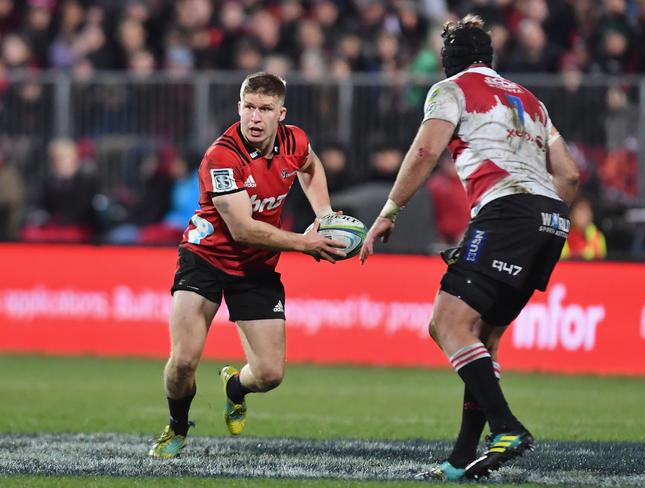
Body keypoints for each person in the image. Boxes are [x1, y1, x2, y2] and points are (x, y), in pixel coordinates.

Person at [360, 15, 579, 480]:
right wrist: (544, 216)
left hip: (507, 212)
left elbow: (424, 152)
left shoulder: (451, 89)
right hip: (550, 218)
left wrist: (390, 210)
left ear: (446, 62)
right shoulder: (530, 99)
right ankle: (462, 459)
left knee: (447, 322)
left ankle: (506, 427)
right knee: (483, 338)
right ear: (490, 56)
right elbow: (571, 175)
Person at [149, 72, 346, 458]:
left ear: (281, 114)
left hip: (255, 268)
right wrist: (306, 243)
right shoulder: (222, 156)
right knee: (184, 360)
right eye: (250, 107)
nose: (255, 117)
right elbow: (241, 229)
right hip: (205, 258)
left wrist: (323, 213)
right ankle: (176, 426)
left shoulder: (296, 140)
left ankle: (234, 388)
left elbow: (311, 166)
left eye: (265, 109)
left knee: (270, 374)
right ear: (239, 107)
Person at [561, 194, 606, 260]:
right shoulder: (559, 234)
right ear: (571, 214)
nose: (587, 215)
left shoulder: (597, 236)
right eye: (581, 211)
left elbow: (601, 264)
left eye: (588, 211)